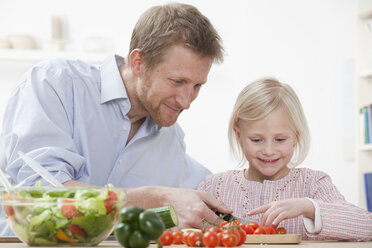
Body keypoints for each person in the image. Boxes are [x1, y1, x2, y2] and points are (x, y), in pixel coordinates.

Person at [0, 2, 232, 235]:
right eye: (177, 82)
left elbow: (207, 192)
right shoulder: (54, 84)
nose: (187, 101)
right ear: (138, 63)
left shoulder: (171, 139)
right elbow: (38, 196)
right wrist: (151, 199)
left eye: (197, 86)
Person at [197, 78, 372, 241]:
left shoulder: (313, 184)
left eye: (280, 140)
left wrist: (308, 207)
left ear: (296, 136)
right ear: (239, 135)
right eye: (256, 140)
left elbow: (367, 225)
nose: (268, 151)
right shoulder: (214, 187)